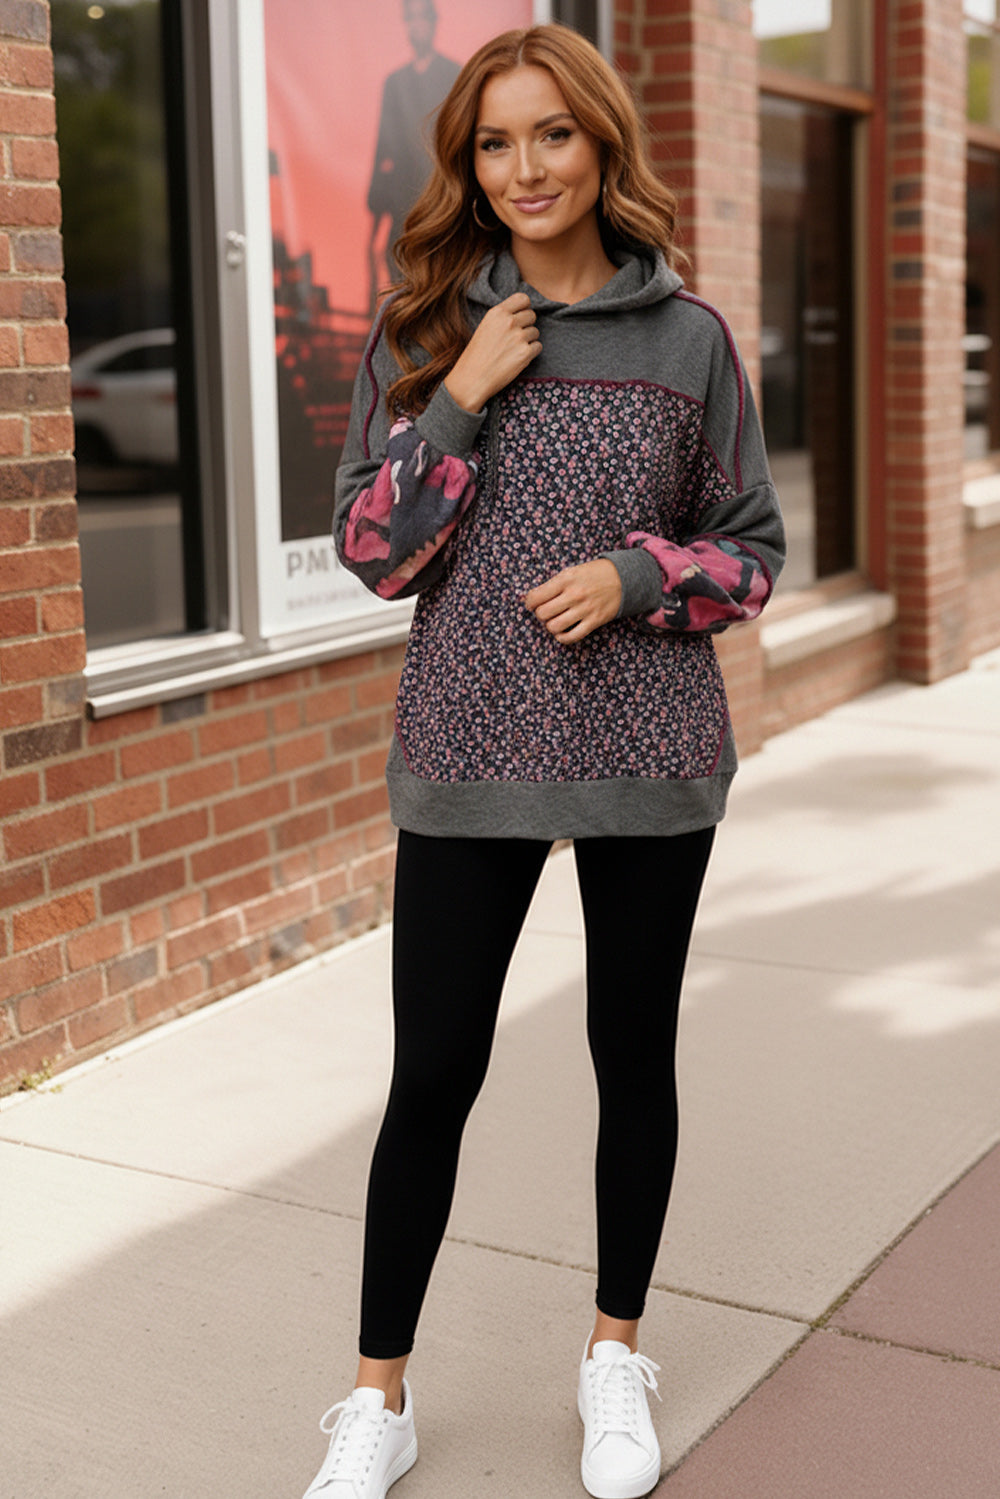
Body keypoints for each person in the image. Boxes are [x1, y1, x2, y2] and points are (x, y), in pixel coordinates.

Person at [304, 23, 784, 1499]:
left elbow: (751, 550)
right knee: (433, 1071)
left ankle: (612, 1353)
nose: (526, 167)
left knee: (632, 1058)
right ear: (468, 164)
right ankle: (377, 1396)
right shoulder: (426, 328)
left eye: (553, 134)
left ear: (601, 143)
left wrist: (638, 576)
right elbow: (372, 552)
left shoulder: (689, 339)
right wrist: (463, 390)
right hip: (468, 742)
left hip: (649, 747)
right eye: (495, 142)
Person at [367, 0, 460, 303]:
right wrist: (376, 197)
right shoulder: (395, 83)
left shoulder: (453, 75)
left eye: (422, 18)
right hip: (401, 199)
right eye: (410, 19)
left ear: (433, 22)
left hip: (441, 193)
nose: (416, 26)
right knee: (399, 270)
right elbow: (383, 145)